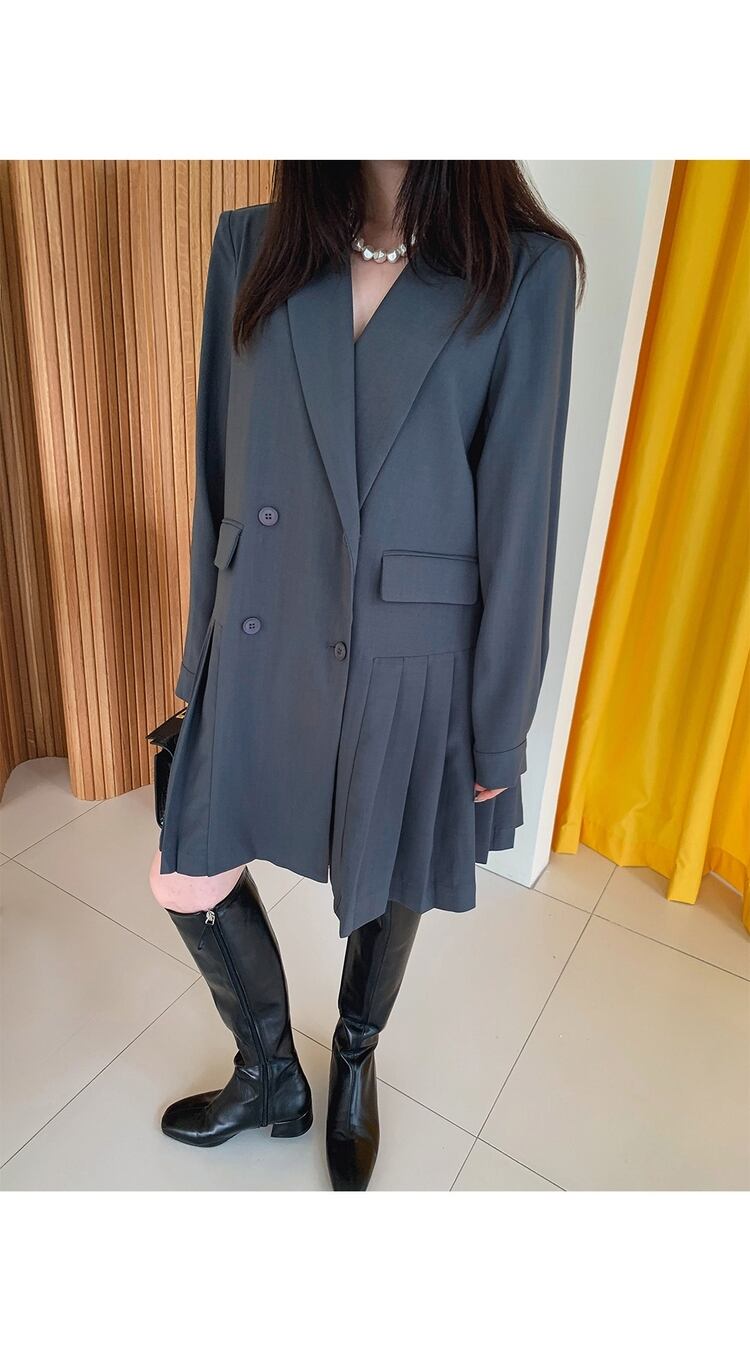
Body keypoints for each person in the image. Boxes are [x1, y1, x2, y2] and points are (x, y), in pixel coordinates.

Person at [148, 160, 584, 1190]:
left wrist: (497, 726)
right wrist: (200, 653)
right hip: (262, 627)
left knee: (387, 875)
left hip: (413, 649)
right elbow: (216, 469)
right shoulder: (250, 244)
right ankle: (269, 1073)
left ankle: (353, 1053)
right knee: (185, 872)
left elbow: (519, 518)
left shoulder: (522, 269)